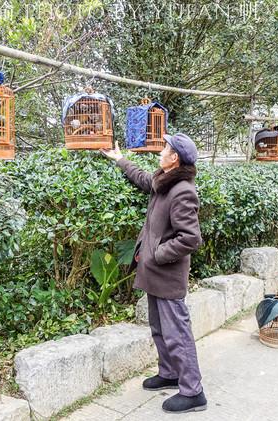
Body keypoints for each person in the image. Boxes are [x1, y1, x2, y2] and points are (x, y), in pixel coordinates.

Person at [100, 133, 207, 414]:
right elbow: (145, 180)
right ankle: (169, 372)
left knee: (177, 333)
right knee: (160, 329)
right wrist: (120, 159)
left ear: (175, 159)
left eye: (166, 148)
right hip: (154, 273)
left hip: (167, 274)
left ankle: (193, 391)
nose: (161, 151)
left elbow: (190, 238)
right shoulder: (164, 181)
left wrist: (156, 254)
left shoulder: (183, 190)